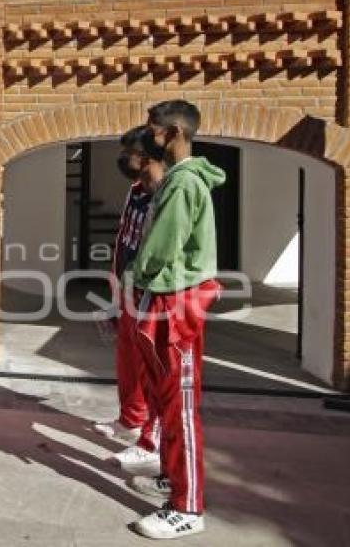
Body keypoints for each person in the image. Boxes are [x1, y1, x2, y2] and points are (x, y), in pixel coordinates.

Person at [128, 100, 225, 539]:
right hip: (165, 299)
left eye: (154, 130)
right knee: (166, 400)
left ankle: (187, 507)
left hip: (176, 304)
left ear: (175, 133)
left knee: (180, 406)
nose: (149, 138)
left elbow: (161, 248)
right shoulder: (179, 181)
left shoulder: (183, 184)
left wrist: (137, 274)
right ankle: (172, 478)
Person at [93, 126, 166, 476]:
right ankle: (130, 420)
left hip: (150, 292)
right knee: (127, 360)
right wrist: (115, 290)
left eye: (129, 154)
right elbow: (125, 240)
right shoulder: (136, 191)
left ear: (148, 155)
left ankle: (151, 443)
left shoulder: (167, 193)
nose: (124, 160)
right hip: (127, 288)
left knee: (151, 369)